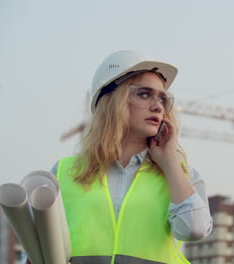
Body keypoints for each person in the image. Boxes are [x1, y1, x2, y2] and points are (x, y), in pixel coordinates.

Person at [24, 50, 212, 264]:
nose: (158, 106)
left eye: (162, 98)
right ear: (113, 101)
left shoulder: (180, 174)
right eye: (144, 94)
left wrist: (169, 160)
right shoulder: (64, 173)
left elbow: (194, 230)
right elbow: (35, 248)